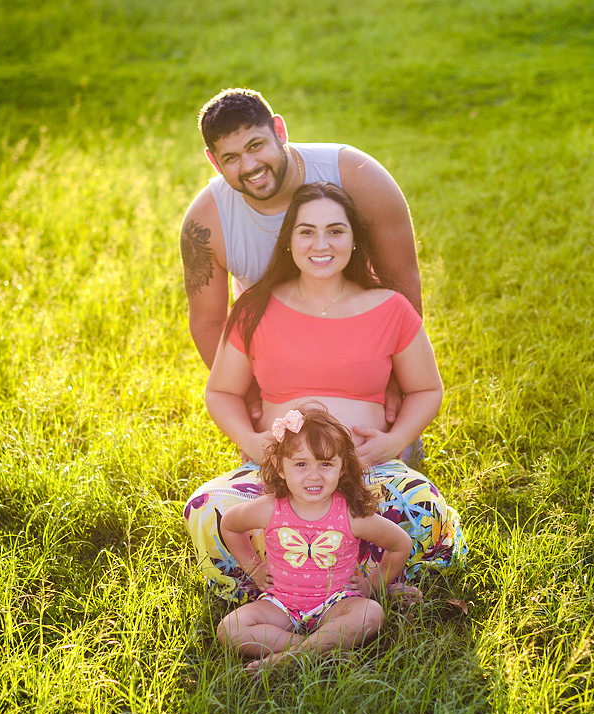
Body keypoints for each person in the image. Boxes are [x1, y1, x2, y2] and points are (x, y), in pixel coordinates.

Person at [184, 182, 465, 603]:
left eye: (335, 231)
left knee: (423, 508)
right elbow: (221, 392)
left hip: (366, 472)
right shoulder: (255, 308)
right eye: (306, 231)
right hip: (281, 478)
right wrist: (252, 442)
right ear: (289, 242)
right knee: (208, 509)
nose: (322, 244)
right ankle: (276, 584)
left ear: (354, 241)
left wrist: (393, 441)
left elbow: (426, 388)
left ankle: (360, 585)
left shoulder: (389, 307)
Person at [180, 88, 421, 434]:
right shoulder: (206, 222)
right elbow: (207, 322)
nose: (250, 167)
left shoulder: (357, 175)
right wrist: (249, 398)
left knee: (387, 476)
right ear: (214, 162)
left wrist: (397, 384)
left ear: (280, 130)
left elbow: (402, 282)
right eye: (231, 158)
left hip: (363, 357)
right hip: (278, 370)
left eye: (255, 145)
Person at [215, 404, 412, 671]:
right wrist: (254, 568)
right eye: (300, 464)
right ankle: (320, 649)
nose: (314, 475)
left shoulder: (350, 514)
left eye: (326, 464)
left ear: (343, 468)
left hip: (337, 603)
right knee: (229, 629)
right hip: (280, 604)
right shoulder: (270, 508)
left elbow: (400, 544)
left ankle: (286, 659)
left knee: (370, 613)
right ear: (280, 467)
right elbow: (229, 525)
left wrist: (371, 585)